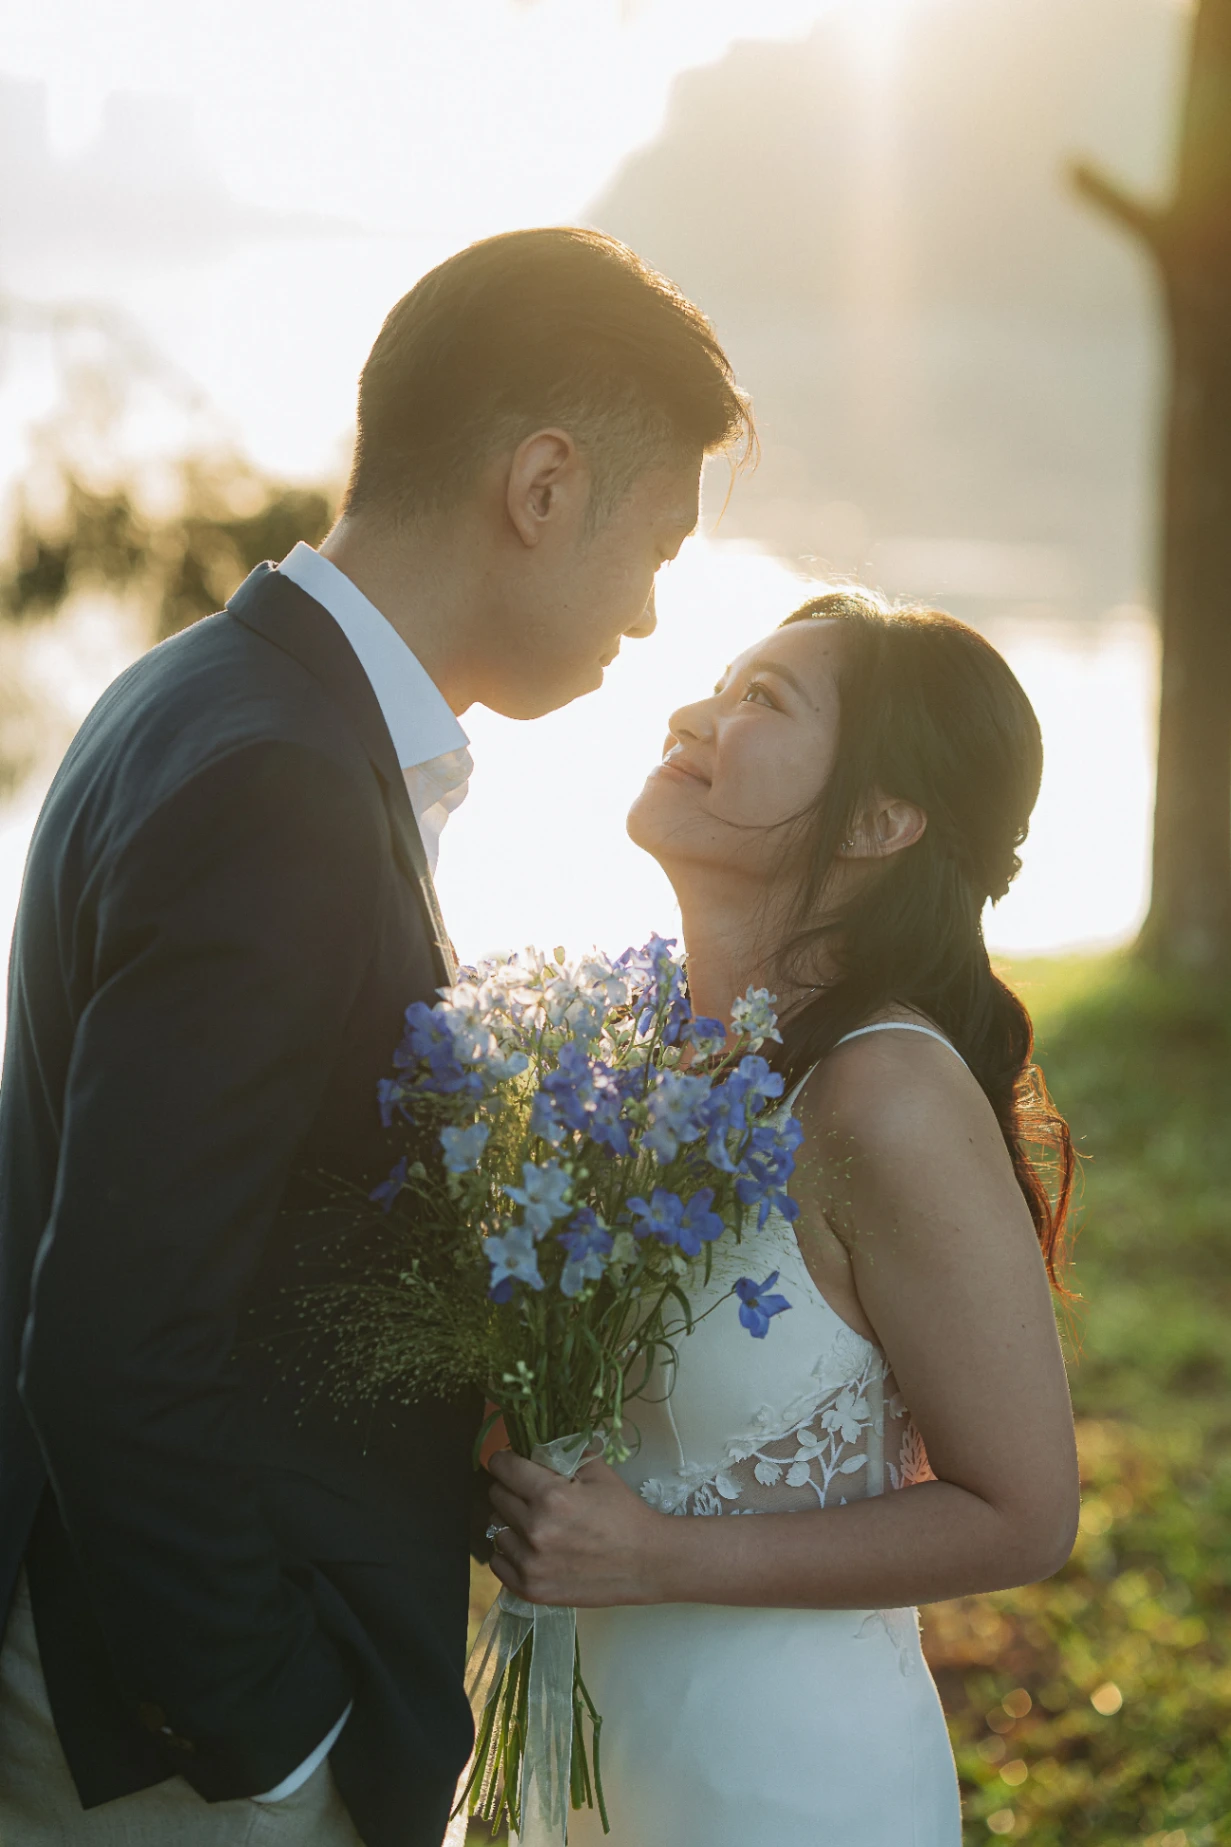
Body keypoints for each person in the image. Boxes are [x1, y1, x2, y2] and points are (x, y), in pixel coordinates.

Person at [0, 227, 751, 1847]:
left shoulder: (205, 691)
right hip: (178, 1745)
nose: (647, 608)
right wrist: (274, 1743)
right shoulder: (278, 779)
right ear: (543, 486)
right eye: (658, 546)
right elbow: (114, 1333)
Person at [485, 588, 1080, 1847]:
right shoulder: (637, 1062)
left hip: (775, 1784)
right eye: (722, 679)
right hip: (568, 1751)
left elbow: (1025, 1511)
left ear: (879, 819)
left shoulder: (885, 1094)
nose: (693, 711)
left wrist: (658, 1560)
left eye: (762, 698)